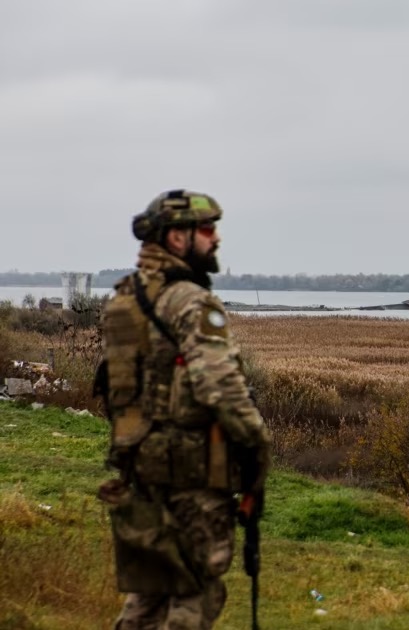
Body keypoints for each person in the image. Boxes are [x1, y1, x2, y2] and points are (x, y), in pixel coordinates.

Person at [97, 189, 270, 629]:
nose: (216, 239)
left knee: (150, 593)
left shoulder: (124, 300)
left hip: (141, 470)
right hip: (193, 476)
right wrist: (257, 448)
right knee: (196, 591)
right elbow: (221, 388)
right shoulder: (191, 301)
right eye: (207, 229)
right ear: (177, 237)